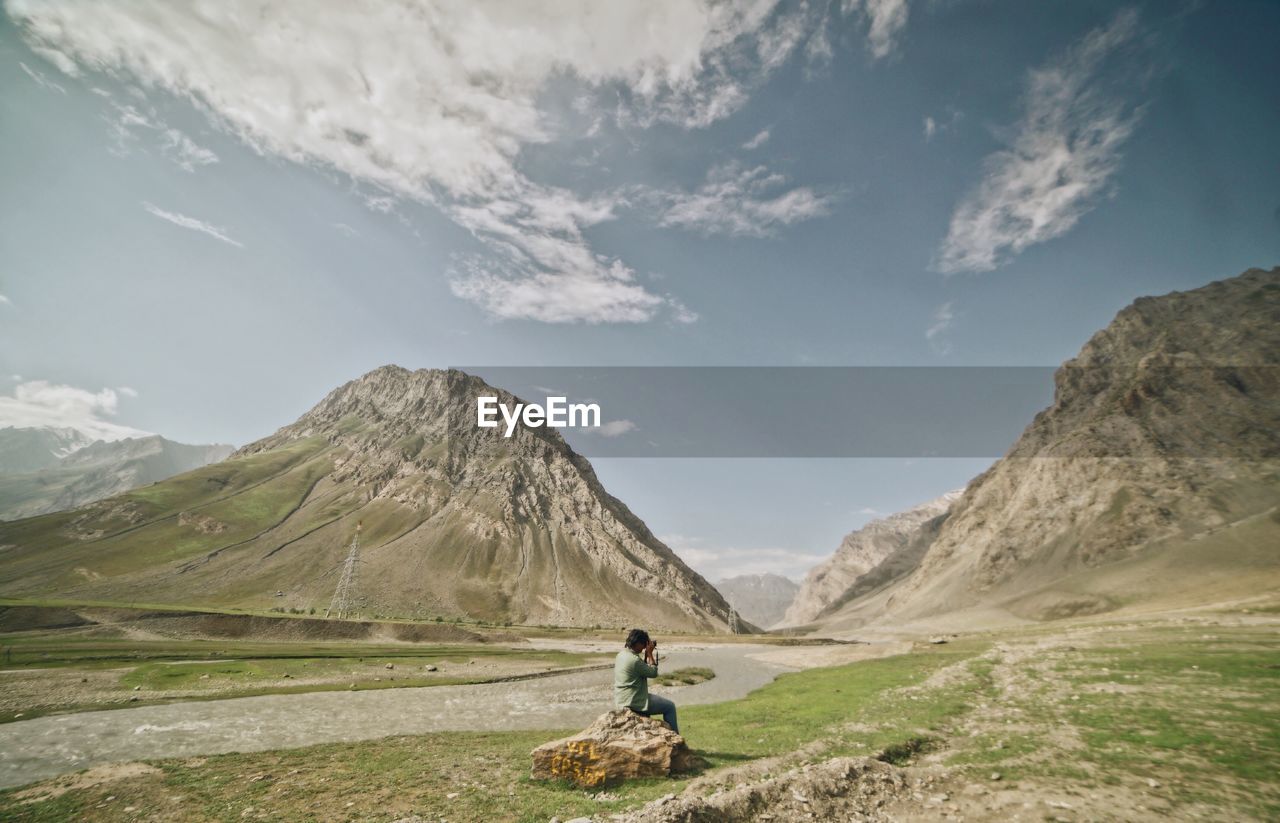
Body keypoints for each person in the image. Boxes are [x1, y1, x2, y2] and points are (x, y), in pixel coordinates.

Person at [614, 628, 679, 734]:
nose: (645, 646)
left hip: (621, 699)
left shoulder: (621, 655)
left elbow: (641, 670)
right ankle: (676, 738)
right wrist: (649, 654)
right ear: (638, 643)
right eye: (644, 644)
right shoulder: (634, 660)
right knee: (670, 707)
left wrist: (644, 656)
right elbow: (653, 673)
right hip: (635, 701)